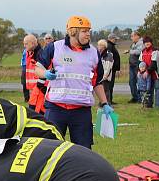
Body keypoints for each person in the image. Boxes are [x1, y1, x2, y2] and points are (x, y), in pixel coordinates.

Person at [35, 16, 112, 149]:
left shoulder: (94, 53)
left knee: (84, 151)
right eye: (84, 31)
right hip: (56, 108)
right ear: (72, 32)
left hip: (81, 111)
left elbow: (97, 81)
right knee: (51, 148)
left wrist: (105, 103)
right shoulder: (54, 47)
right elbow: (38, 68)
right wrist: (46, 74)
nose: (88, 34)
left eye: (89, 31)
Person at [21, 34, 45, 111]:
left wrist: (40, 86)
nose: (24, 46)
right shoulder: (31, 53)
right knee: (33, 110)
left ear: (32, 43)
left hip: (39, 89)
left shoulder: (39, 54)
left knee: (37, 112)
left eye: (26, 44)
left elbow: (43, 72)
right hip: (33, 90)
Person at [140, 36, 159, 108]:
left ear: (151, 42)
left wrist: (147, 71)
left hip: (153, 73)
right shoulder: (143, 51)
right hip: (145, 75)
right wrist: (139, 71)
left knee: (154, 89)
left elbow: (154, 63)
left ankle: (156, 104)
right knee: (146, 89)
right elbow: (140, 62)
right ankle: (147, 104)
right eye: (145, 42)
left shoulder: (155, 50)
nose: (147, 43)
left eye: (148, 42)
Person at [126, 31, 144, 103]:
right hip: (132, 65)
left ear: (137, 36)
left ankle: (140, 98)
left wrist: (130, 51)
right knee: (131, 82)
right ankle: (135, 97)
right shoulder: (134, 44)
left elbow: (139, 51)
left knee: (139, 82)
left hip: (138, 65)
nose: (131, 38)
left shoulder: (141, 43)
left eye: (132, 36)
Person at [105, 34, 122, 104]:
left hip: (113, 69)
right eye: (115, 39)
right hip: (111, 69)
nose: (116, 40)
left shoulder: (111, 46)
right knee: (109, 85)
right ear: (111, 39)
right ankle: (108, 100)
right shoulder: (109, 46)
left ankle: (110, 100)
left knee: (110, 85)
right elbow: (110, 58)